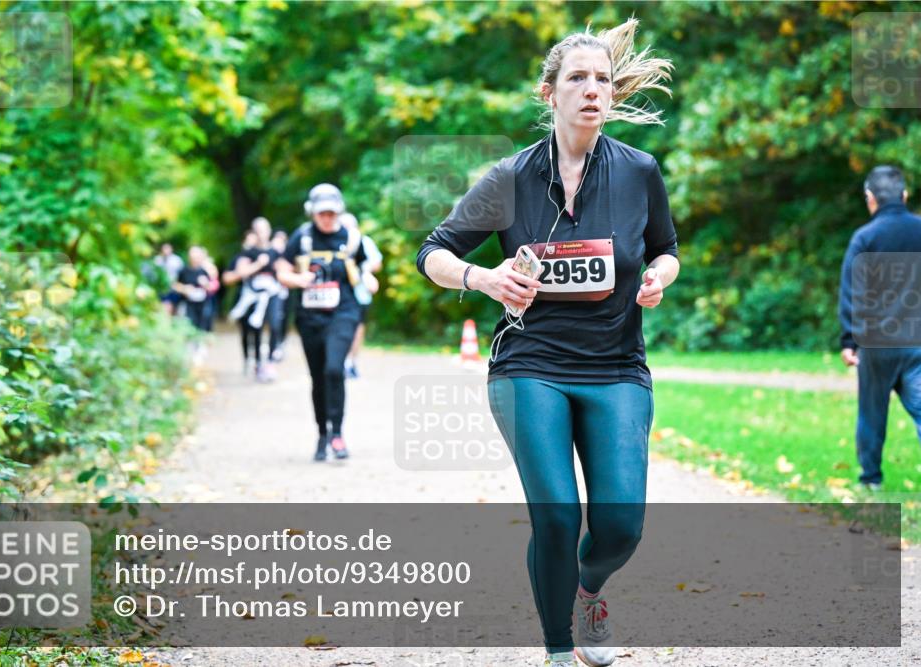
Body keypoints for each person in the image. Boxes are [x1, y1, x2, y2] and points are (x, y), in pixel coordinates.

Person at [416, 19, 677, 667]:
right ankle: (560, 648)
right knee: (557, 515)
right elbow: (434, 253)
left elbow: (667, 249)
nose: (593, 90)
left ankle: (590, 590)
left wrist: (656, 278)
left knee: (620, 526)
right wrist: (485, 277)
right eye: (578, 79)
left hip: (617, 365)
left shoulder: (639, 171)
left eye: (602, 80)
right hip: (529, 365)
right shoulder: (509, 178)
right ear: (549, 94)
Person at [275, 184, 377, 461]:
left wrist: (368, 279)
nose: (327, 218)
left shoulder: (353, 239)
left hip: (344, 312)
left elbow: (366, 267)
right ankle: (322, 434)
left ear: (339, 211)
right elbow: (282, 270)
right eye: (322, 213)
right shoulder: (303, 238)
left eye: (332, 213)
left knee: (334, 369)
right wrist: (298, 280)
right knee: (318, 377)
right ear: (313, 213)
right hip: (310, 317)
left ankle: (338, 434)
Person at [839, 165, 921, 490]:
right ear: (904, 195)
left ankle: (870, 480)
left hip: (876, 342)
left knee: (872, 414)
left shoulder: (865, 238)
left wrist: (849, 339)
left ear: (870, 198)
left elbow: (852, 292)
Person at [339, 212, 383, 379]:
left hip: (360, 294)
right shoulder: (334, 242)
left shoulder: (365, 242)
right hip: (339, 294)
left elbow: (377, 264)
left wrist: (363, 270)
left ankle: (350, 362)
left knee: (357, 329)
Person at [223, 230, 262, 375]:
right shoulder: (238, 258)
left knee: (257, 331)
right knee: (245, 332)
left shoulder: (262, 257)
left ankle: (258, 362)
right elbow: (227, 278)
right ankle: (247, 360)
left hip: (259, 300)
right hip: (242, 299)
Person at [173, 245, 212, 331]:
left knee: (202, 325)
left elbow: (211, 287)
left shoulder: (204, 271)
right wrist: (184, 289)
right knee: (189, 325)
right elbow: (175, 285)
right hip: (188, 303)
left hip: (202, 303)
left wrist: (206, 284)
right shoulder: (183, 270)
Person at [270, 230, 291, 361]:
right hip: (271, 292)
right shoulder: (269, 253)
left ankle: (281, 344)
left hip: (285, 292)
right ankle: (273, 347)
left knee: (284, 319)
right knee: (274, 321)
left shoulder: (288, 254)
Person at [154, 242, 184, 315]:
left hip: (174, 287)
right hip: (161, 288)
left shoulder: (177, 260)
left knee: (173, 306)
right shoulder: (157, 260)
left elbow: (182, 274)